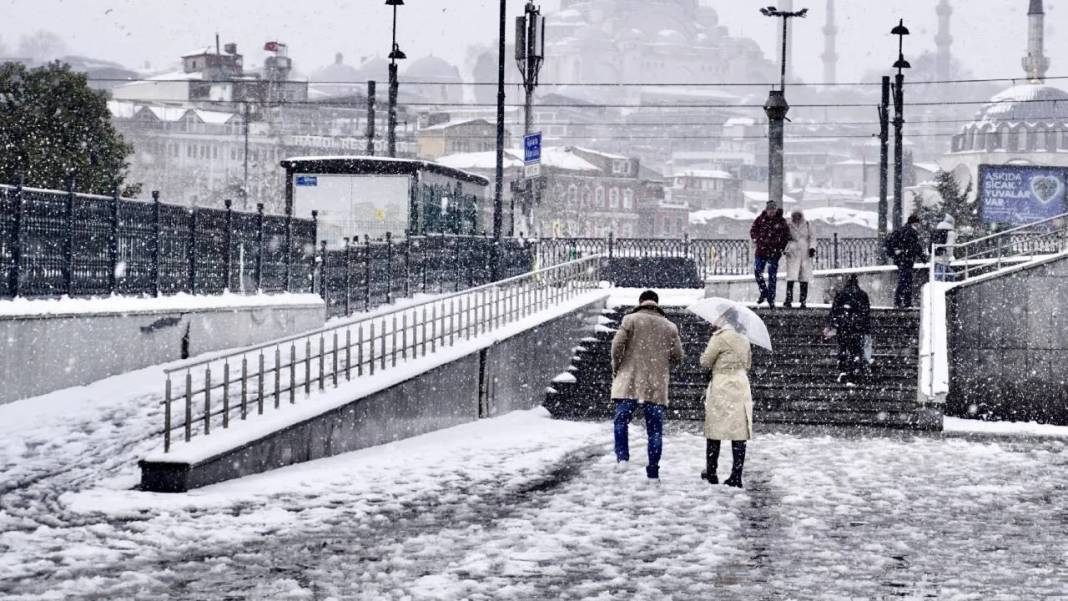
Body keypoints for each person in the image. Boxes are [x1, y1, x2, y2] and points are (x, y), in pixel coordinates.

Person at [610, 290, 684, 481]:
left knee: (621, 420)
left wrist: (617, 367)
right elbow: (678, 356)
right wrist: (660, 362)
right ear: (657, 304)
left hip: (630, 380)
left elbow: (616, 347)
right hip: (656, 384)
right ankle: (653, 471)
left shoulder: (630, 320)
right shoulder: (670, 326)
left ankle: (623, 458)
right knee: (655, 430)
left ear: (641, 302)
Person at [699, 308, 753, 488]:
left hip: (721, 384)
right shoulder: (744, 337)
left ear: (724, 318)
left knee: (715, 428)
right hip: (740, 384)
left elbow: (705, 362)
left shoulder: (719, 337)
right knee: (739, 430)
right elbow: (748, 364)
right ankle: (736, 475)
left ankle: (711, 472)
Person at [824, 274, 872, 384]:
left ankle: (843, 370)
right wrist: (866, 330)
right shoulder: (863, 295)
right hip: (857, 328)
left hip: (844, 327)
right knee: (856, 350)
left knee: (843, 348)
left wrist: (830, 325)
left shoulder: (841, 294)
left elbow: (834, 311)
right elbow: (866, 314)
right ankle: (855, 371)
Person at [750, 202, 791, 309]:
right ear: (766, 210)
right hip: (761, 252)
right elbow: (753, 230)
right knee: (757, 271)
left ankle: (771, 299)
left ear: (776, 210)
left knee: (772, 276)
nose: (771, 212)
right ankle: (764, 292)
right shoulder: (760, 219)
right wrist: (757, 239)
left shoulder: (781, 221)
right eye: (769, 210)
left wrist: (780, 248)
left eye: (773, 209)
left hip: (774, 253)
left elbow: (786, 236)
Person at [885, 214, 928, 308]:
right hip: (906, 259)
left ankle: (900, 302)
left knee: (904, 280)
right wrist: (923, 257)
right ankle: (904, 302)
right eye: (918, 223)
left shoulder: (903, 229)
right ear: (915, 223)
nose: (919, 226)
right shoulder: (911, 232)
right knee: (906, 281)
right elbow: (915, 246)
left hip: (901, 259)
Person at [784, 210, 817, 308]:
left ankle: (803, 301)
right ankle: (788, 299)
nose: (796, 218)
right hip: (793, 252)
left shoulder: (807, 224)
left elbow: (812, 237)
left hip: (804, 252)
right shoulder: (788, 225)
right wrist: (785, 248)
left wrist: (812, 248)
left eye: (798, 216)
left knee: (804, 278)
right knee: (791, 277)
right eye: (795, 216)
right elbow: (784, 237)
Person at [932, 213, 958, 282]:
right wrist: (950, 256)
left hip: (937, 255)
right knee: (940, 276)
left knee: (944, 273)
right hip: (944, 256)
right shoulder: (951, 232)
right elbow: (949, 246)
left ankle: (952, 284)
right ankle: (952, 287)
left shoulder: (939, 230)